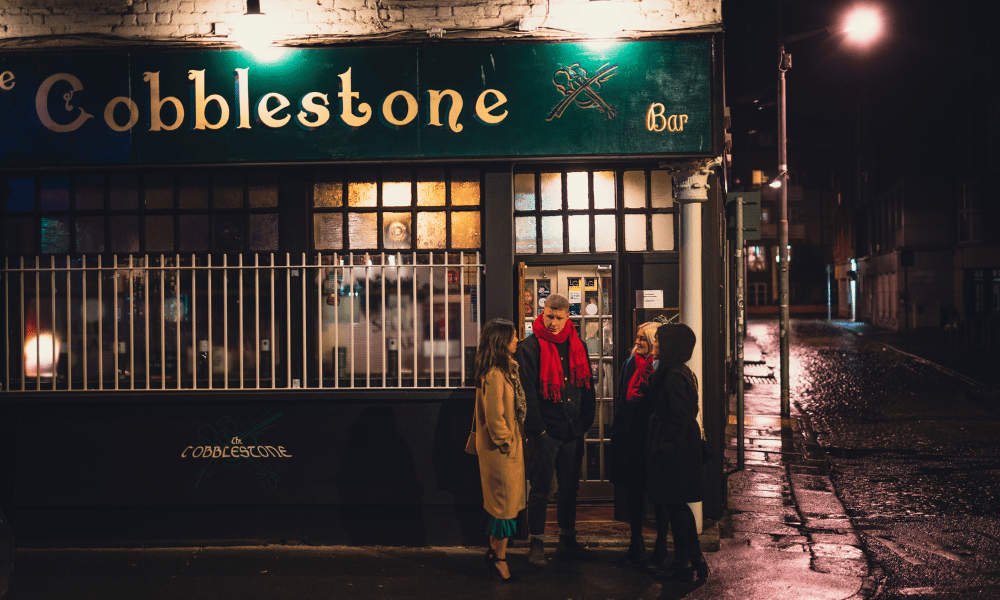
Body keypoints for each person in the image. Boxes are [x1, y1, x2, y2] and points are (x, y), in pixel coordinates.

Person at [516, 293, 598, 567]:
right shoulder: (530, 346)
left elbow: (587, 385)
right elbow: (527, 390)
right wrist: (537, 428)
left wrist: (585, 421)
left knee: (569, 488)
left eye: (558, 318)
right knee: (540, 489)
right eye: (548, 316)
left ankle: (567, 540)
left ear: (567, 317)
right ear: (542, 313)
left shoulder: (578, 345)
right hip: (546, 431)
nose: (552, 323)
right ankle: (536, 543)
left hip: (572, 429)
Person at [645, 323, 709, 582]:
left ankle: (686, 560)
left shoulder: (672, 376)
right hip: (679, 446)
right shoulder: (677, 371)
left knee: (676, 506)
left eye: (659, 341)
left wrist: (663, 447)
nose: (655, 345)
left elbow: (679, 417)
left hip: (675, 450)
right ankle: (692, 559)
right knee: (677, 506)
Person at [473, 318, 527, 582]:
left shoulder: (503, 370)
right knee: (504, 508)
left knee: (498, 505)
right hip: (502, 452)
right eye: (513, 336)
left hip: (505, 451)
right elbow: (496, 418)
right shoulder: (495, 374)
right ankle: (500, 558)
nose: (517, 339)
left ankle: (492, 553)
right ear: (501, 341)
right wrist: (508, 441)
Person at [609, 321, 665, 567]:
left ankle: (661, 545)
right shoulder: (630, 364)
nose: (637, 341)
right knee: (633, 491)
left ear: (654, 342)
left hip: (653, 437)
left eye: (643, 338)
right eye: (638, 337)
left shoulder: (662, 367)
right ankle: (636, 541)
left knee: (659, 494)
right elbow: (622, 400)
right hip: (632, 437)